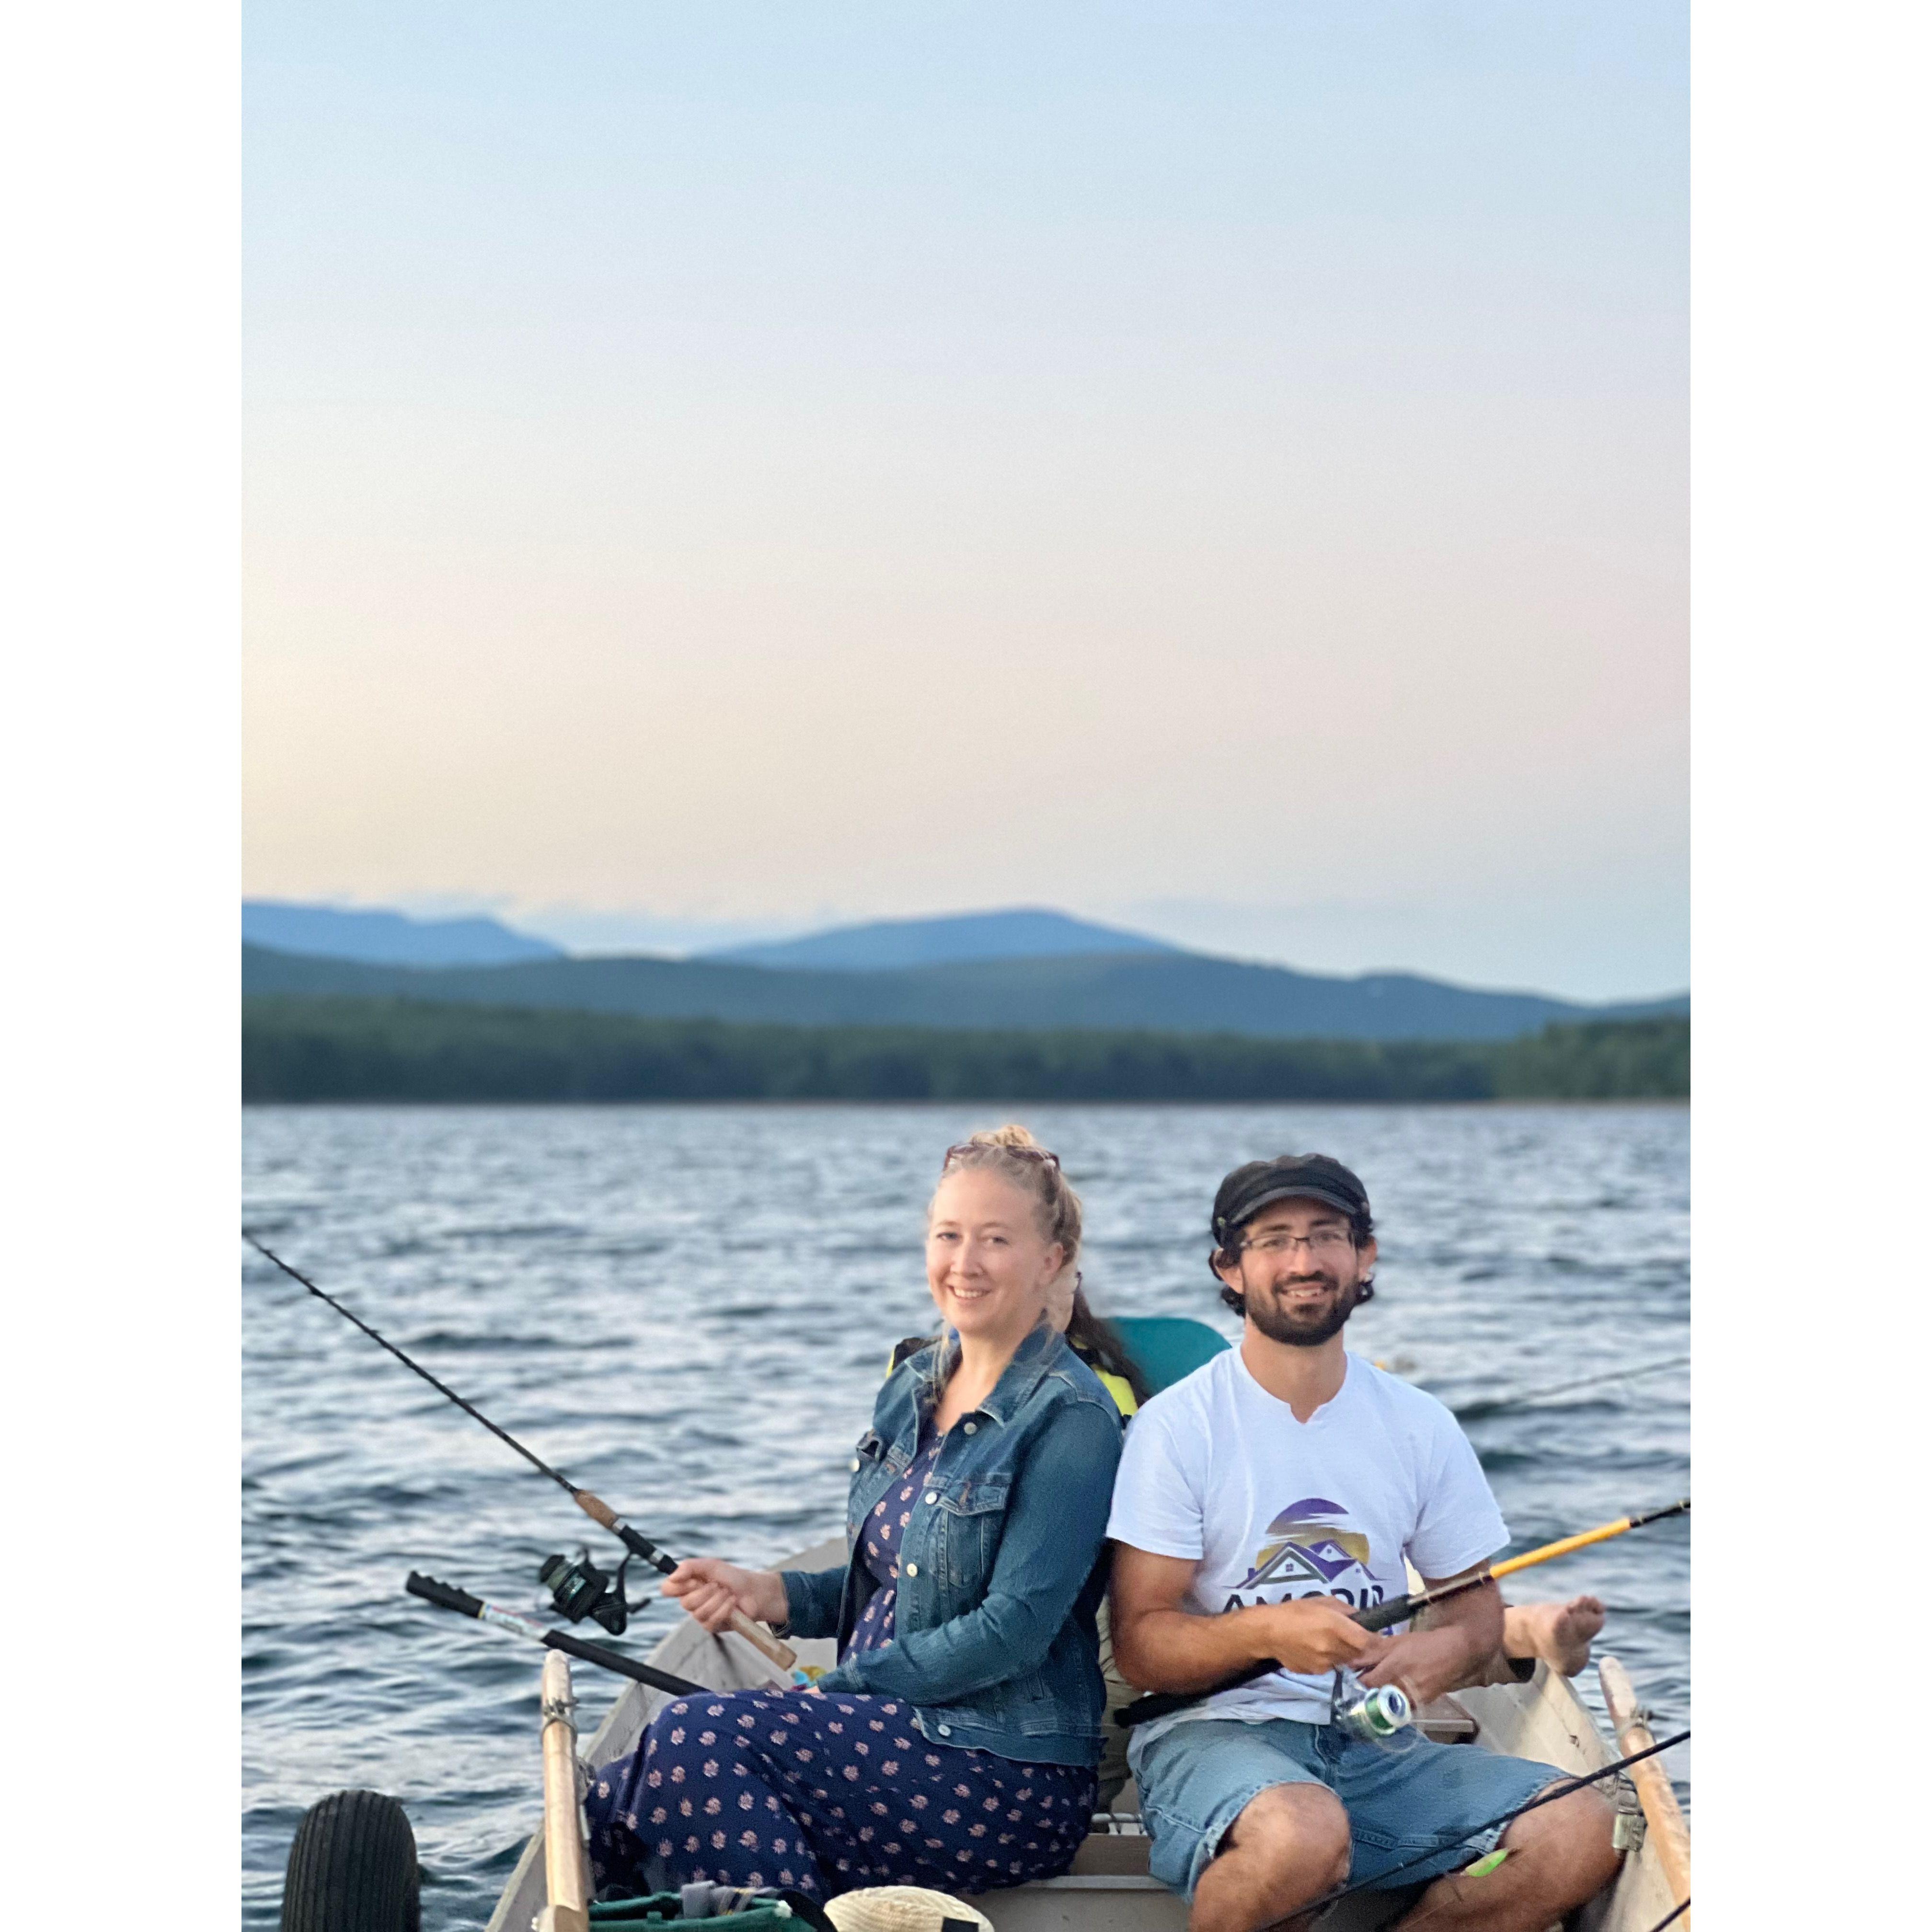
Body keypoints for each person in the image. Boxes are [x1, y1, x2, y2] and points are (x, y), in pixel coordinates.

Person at [584, 1126, 1124, 1904]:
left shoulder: (1072, 1417)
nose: (964, 1264)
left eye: (995, 1240)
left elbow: (1011, 1629)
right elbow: (897, 1580)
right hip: (883, 1736)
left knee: (697, 1738)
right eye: (948, 1236)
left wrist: (844, 1688)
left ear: (1052, 1261)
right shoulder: (913, 1386)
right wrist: (772, 1594)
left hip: (1003, 1771)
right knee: (616, 1802)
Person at [1107, 1154, 1622, 1932]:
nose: (1304, 1261)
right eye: (1274, 1239)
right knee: (1303, 1834)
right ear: (1231, 1268)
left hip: (1372, 1743)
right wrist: (1269, 1631)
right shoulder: (1177, 1427)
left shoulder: (1418, 1423)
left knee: (1585, 1828)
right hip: (1210, 1737)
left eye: (1327, 1236)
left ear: (1365, 1256)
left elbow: (1475, 1609)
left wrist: (1440, 1656)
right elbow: (1143, 1646)